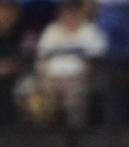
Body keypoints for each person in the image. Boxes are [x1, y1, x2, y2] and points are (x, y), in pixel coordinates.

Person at [32, 0, 105, 128]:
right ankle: (48, 136)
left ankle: (75, 136)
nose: (70, 18)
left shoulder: (89, 30)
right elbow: (42, 54)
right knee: (42, 100)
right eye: (67, 14)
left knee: (74, 101)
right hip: (51, 78)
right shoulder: (52, 30)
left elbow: (98, 52)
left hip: (77, 77)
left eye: (73, 14)